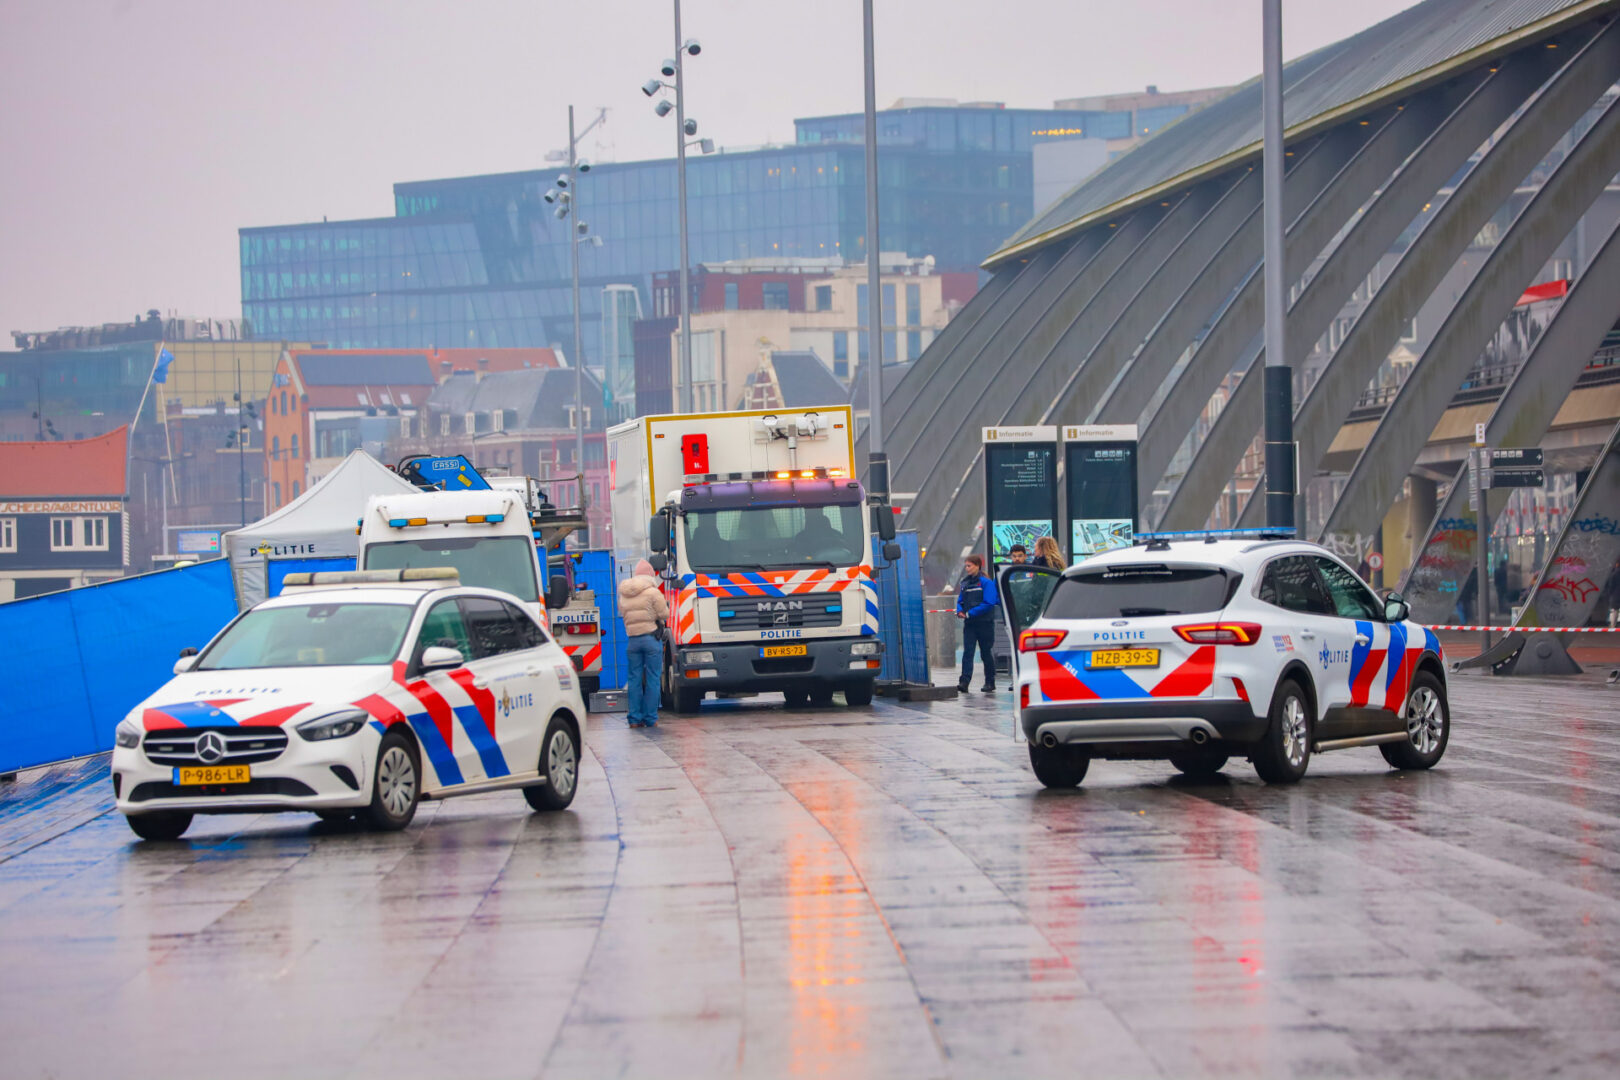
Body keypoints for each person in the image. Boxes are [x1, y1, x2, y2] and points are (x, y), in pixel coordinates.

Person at [618, 560, 669, 729]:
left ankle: (634, 719)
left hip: (632, 640)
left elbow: (622, 612)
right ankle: (650, 718)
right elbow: (664, 613)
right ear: (650, 575)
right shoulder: (653, 592)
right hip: (651, 639)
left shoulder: (624, 594)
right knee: (653, 678)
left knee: (634, 679)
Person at [955, 554, 999, 693]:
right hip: (970, 624)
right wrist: (960, 610)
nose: (967, 569)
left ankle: (990, 682)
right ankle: (964, 682)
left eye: (969, 566)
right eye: (966, 566)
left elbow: (989, 603)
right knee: (968, 652)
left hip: (985, 623)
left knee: (986, 653)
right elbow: (960, 600)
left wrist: (970, 613)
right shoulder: (965, 583)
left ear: (977, 566)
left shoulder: (986, 583)